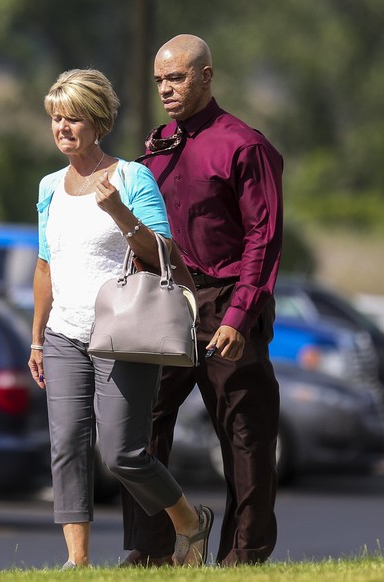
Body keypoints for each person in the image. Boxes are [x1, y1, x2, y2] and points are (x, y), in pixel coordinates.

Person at [28, 68, 213, 569]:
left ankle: (190, 522)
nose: (62, 128)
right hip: (64, 334)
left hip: (123, 334)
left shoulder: (132, 177)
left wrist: (120, 215)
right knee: (66, 445)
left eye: (72, 119)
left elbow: (165, 255)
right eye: (55, 119)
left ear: (98, 122)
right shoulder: (48, 187)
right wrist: (37, 339)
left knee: (122, 453)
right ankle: (78, 560)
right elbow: (45, 266)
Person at [121, 34, 284, 567]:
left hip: (227, 300)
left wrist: (241, 314)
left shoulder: (244, 145)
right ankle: (150, 551)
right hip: (166, 300)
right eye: (160, 81)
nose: (166, 89)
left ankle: (245, 555)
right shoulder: (155, 146)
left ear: (207, 76)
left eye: (178, 78)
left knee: (244, 433)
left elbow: (264, 236)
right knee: (141, 428)